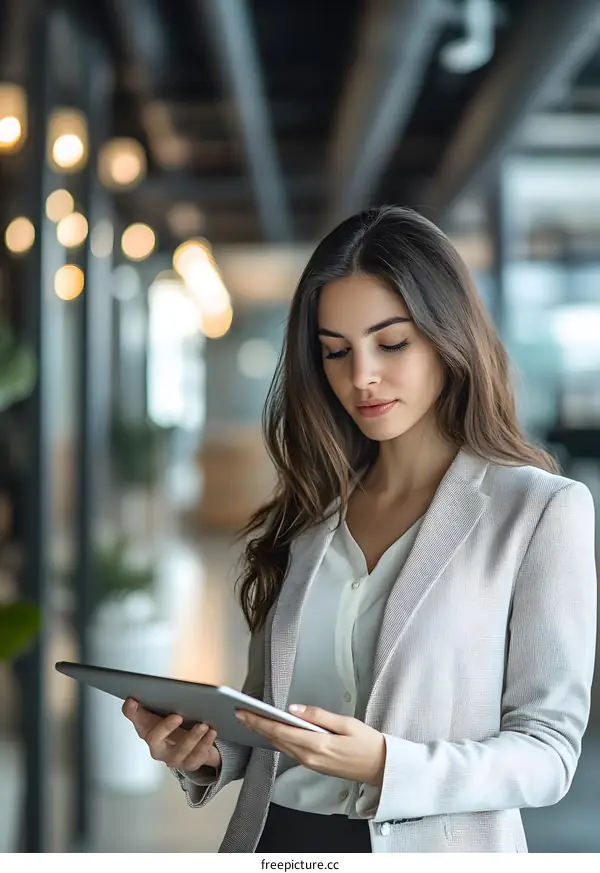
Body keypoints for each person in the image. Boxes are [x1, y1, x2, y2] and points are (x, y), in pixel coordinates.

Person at [123, 205, 597, 853]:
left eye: (391, 343)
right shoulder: (311, 508)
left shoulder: (540, 511)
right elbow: (272, 720)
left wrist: (386, 764)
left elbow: (548, 753)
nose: (360, 376)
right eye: (335, 351)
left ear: (448, 336)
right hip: (278, 845)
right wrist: (207, 752)